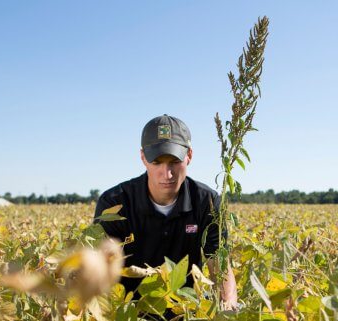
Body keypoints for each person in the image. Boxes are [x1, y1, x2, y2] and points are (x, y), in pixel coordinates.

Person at [94, 114, 237, 312]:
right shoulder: (115, 203)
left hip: (185, 310)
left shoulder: (208, 202)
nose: (167, 173)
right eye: (157, 162)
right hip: (130, 310)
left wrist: (228, 307)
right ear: (143, 157)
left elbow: (219, 265)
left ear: (189, 156)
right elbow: (102, 268)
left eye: (174, 161)